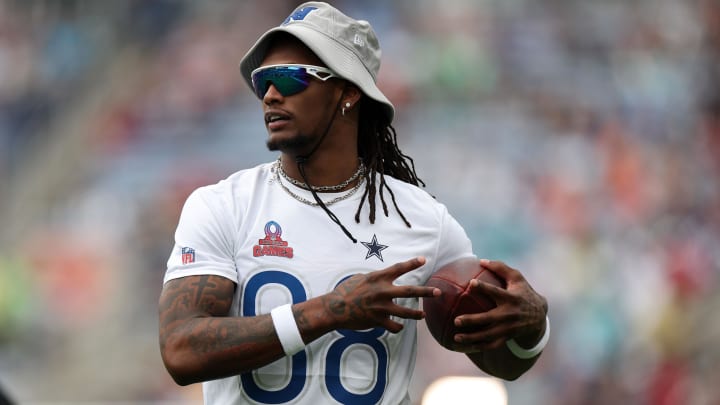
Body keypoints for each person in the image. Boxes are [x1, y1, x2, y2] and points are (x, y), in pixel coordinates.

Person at [158, 2, 549, 404]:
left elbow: (505, 363)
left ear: (347, 93)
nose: (271, 95)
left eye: (290, 78)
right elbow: (181, 351)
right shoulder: (222, 205)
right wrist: (331, 311)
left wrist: (532, 328)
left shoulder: (422, 220)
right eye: (263, 81)